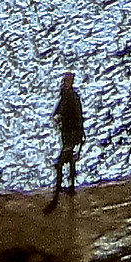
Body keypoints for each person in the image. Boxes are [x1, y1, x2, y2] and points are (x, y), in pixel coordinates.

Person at [44, 70, 84, 210]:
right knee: (71, 161)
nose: (64, 84)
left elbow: (78, 118)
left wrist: (78, 136)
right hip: (67, 134)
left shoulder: (72, 98)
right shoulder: (67, 97)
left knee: (60, 164)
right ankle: (71, 187)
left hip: (71, 135)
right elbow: (58, 112)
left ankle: (57, 194)